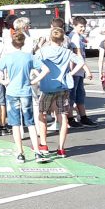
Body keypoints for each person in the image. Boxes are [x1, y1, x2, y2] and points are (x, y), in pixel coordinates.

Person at [33, 27, 90, 159]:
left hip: (47, 87)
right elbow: (81, 61)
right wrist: (71, 73)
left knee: (42, 114)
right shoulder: (66, 52)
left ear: (50, 38)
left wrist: (38, 75)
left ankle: (43, 144)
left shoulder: (43, 51)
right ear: (63, 38)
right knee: (62, 116)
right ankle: (61, 148)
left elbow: (33, 63)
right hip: (63, 86)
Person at [0, 31, 42, 162]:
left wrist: (3, 82)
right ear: (23, 43)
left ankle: (20, 153)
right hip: (25, 91)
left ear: (12, 43)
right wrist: (34, 81)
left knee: (15, 123)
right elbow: (45, 70)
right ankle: (37, 151)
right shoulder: (29, 57)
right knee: (30, 122)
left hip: (12, 92)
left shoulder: (7, 57)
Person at [67, 16, 97, 127]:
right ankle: (70, 118)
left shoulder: (78, 36)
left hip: (78, 71)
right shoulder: (74, 37)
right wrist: (87, 70)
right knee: (72, 95)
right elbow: (78, 54)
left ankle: (83, 117)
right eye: (81, 26)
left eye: (84, 26)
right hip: (75, 70)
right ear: (74, 26)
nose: (83, 28)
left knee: (80, 94)